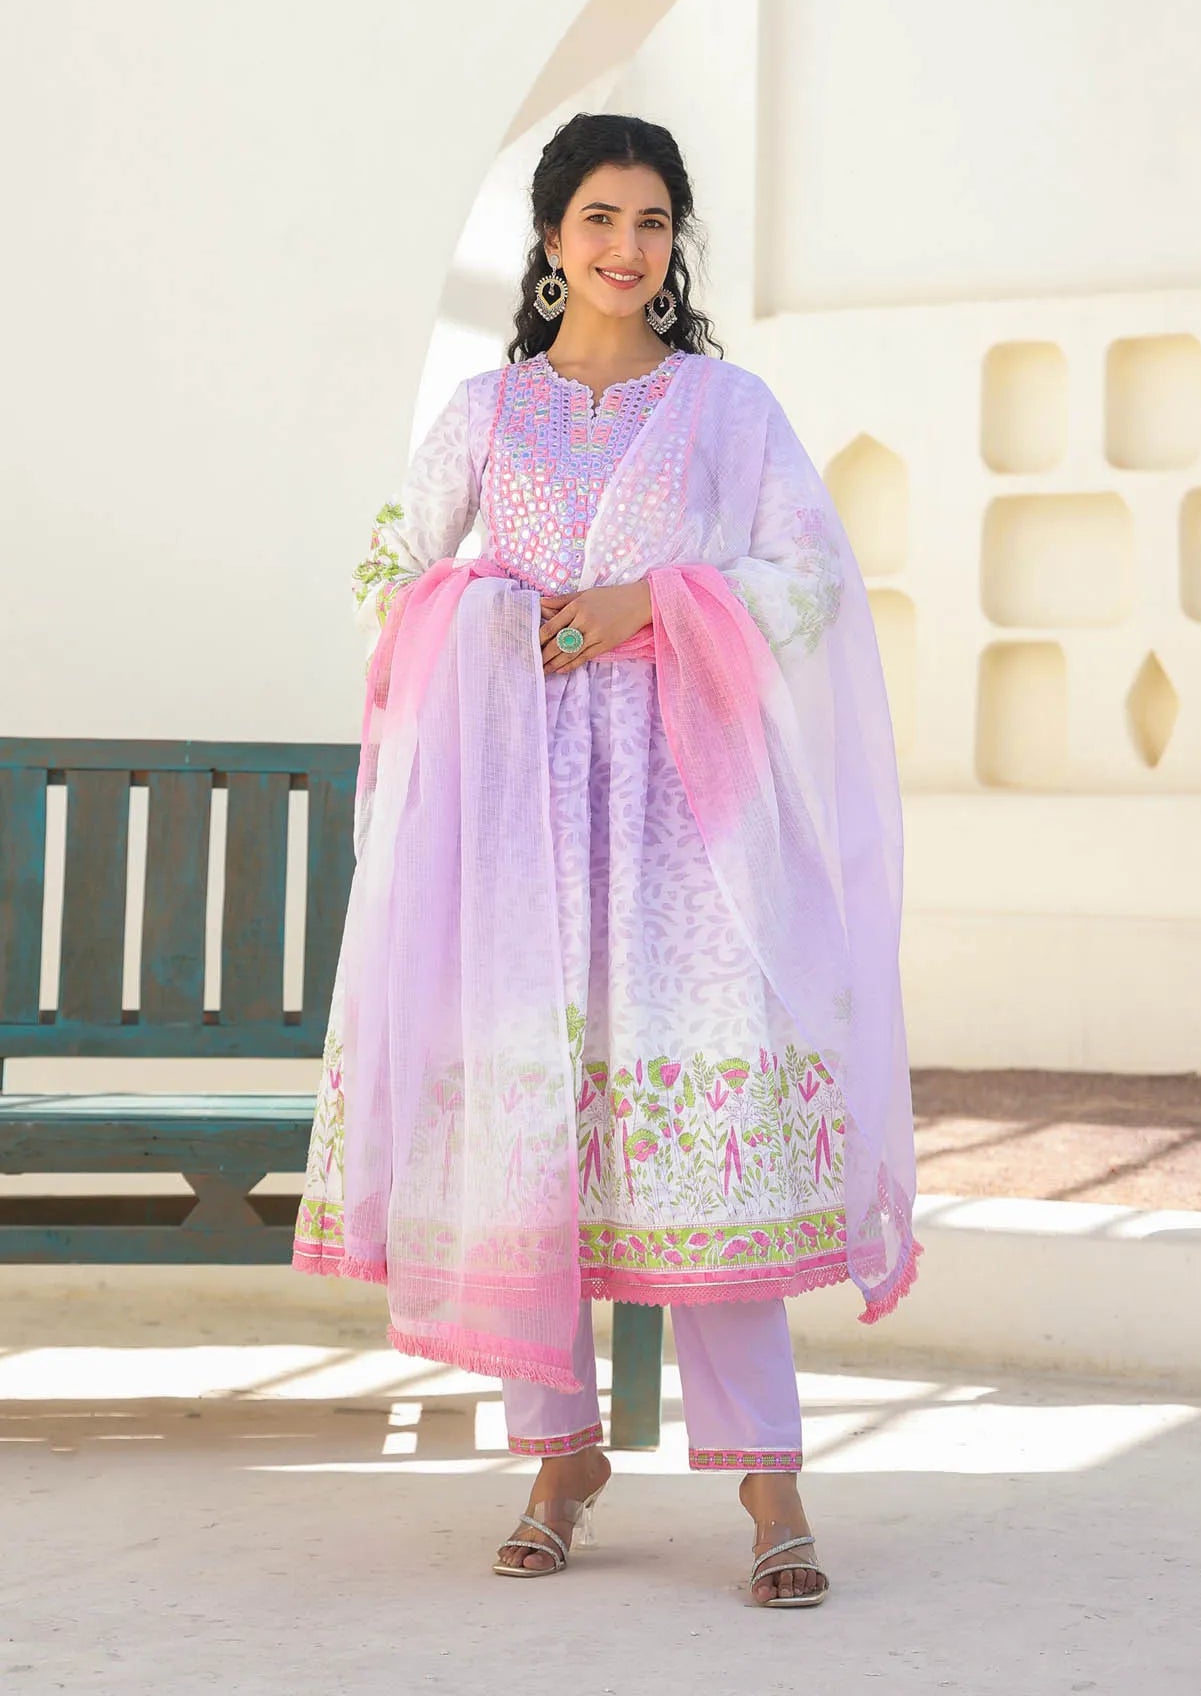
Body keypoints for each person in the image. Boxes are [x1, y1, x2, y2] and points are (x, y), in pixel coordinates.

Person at [292, 112, 919, 1608]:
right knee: (531, 1143)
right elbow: (387, 573)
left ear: (672, 243)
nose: (625, 249)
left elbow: (814, 580)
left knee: (705, 1161)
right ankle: (558, 1448)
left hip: (686, 841)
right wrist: (489, 615)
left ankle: (771, 1479)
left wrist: (654, 602)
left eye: (652, 222)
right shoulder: (490, 414)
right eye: (597, 219)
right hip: (514, 837)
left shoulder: (728, 410)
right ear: (553, 237)